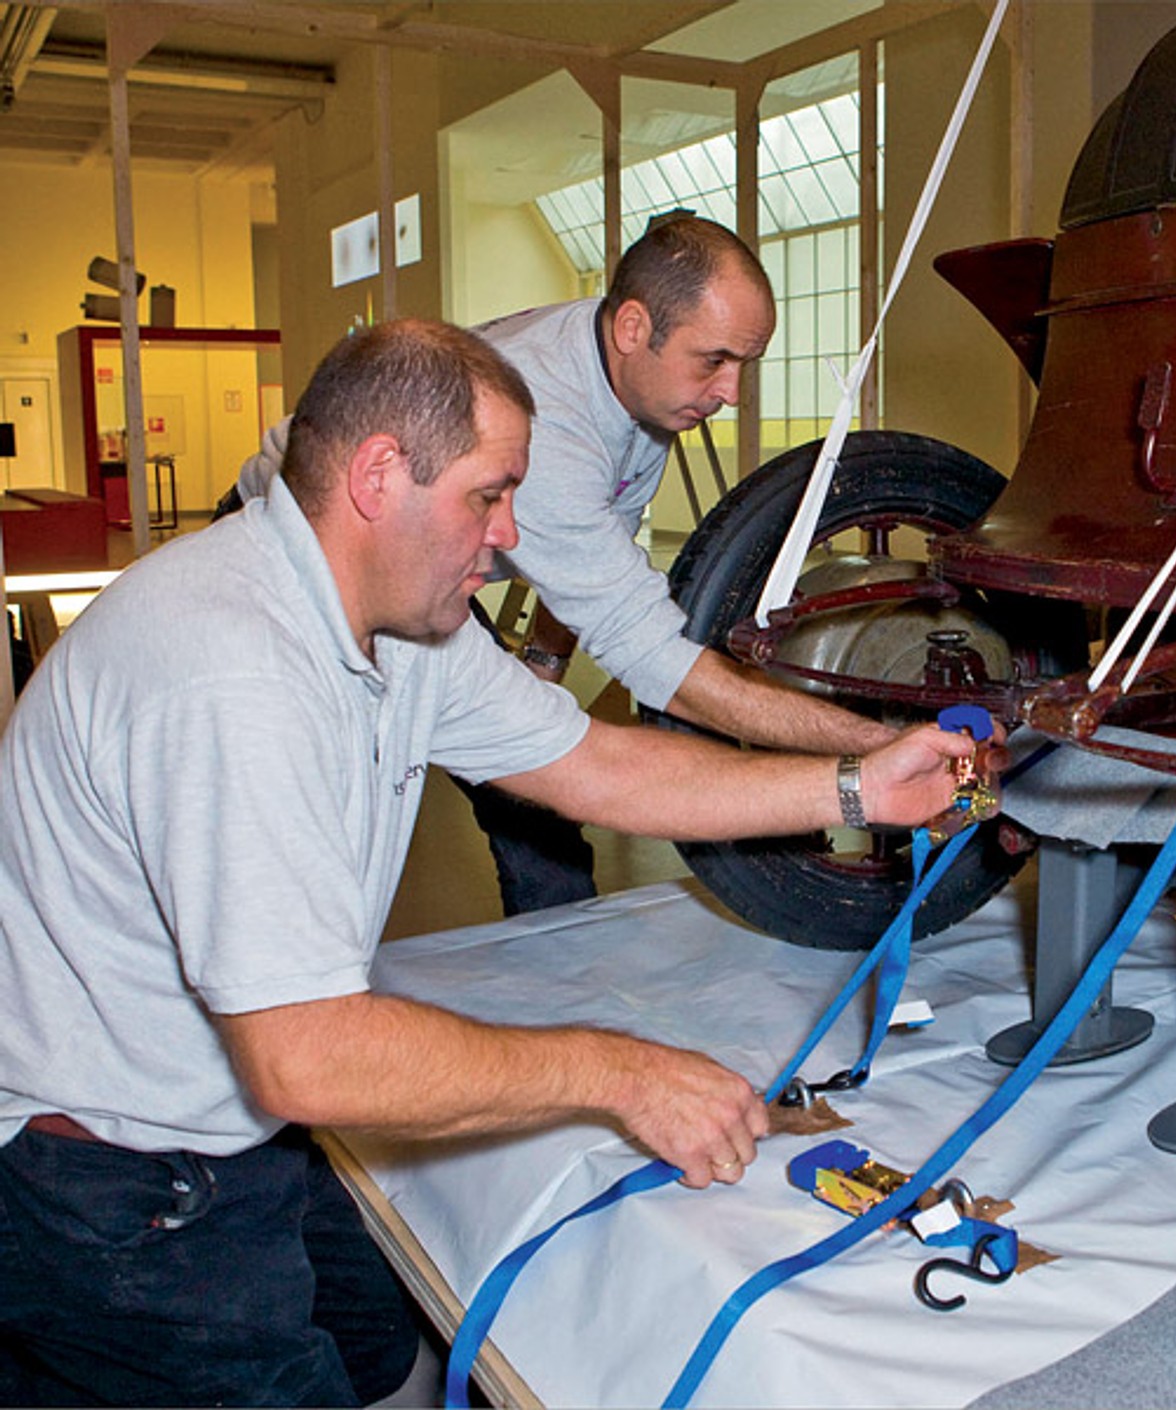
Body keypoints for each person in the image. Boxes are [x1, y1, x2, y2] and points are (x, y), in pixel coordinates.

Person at [0, 319, 979, 1407]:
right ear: (379, 475)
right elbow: (307, 1055)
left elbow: (596, 765)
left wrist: (855, 786)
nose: (509, 534)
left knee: (381, 1351)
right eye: (488, 494)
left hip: (229, 1136)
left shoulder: (398, 625)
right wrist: (620, 1071)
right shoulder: (232, 671)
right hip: (111, 1186)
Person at [235, 214, 901, 916]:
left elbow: (590, 549)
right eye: (715, 360)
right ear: (634, 329)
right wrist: (877, 743)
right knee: (320, 816)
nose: (732, 392)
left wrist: (545, 669)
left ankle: (552, 987)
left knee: (539, 815)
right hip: (302, 560)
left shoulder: (641, 394)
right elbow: (662, 667)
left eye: (745, 363)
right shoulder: (552, 421)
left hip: (418, 571)